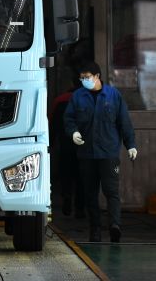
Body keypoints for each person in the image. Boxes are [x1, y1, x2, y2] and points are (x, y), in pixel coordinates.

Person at [63, 60, 137, 242]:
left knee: (111, 192)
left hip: (108, 153)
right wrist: (73, 132)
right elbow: (69, 119)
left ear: (97, 76)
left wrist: (131, 144)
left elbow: (124, 122)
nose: (84, 80)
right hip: (86, 154)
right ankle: (95, 229)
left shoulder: (113, 95)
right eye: (82, 78)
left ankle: (115, 226)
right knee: (90, 194)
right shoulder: (78, 96)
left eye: (87, 77)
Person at [48, 76, 85, 217]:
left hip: (65, 144)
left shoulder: (60, 100)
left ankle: (67, 197)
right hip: (83, 145)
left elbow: (52, 123)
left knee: (66, 174)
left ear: (71, 83)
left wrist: (50, 143)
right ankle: (80, 208)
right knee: (81, 176)